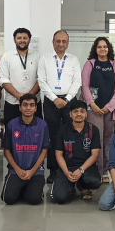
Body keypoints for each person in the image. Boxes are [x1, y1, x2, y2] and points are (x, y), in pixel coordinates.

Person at [38, 30, 82, 183]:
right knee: (52, 136)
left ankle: (71, 167)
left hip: (69, 101)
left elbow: (77, 81)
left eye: (64, 41)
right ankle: (53, 170)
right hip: (51, 102)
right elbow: (42, 81)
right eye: (58, 41)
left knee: (71, 135)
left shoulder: (74, 60)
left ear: (68, 43)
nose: (61, 44)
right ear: (53, 42)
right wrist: (55, 99)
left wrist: (67, 99)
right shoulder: (44, 59)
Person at [81, 36, 115, 181]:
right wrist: (92, 104)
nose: (102, 49)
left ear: (108, 48)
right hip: (93, 109)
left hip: (109, 110)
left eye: (105, 46)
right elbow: (84, 85)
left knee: (108, 140)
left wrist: (109, 107)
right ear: (95, 49)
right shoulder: (90, 64)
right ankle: (96, 171)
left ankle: (105, 170)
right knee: (96, 139)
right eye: (99, 47)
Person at [1, 94, 50, 205]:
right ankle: (21, 188)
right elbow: (7, 150)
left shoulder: (43, 125)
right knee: (8, 199)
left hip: (36, 171)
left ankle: (30, 189)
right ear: (20, 107)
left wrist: (32, 170)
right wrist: (17, 170)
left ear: (36, 108)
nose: (28, 108)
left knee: (34, 200)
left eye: (32, 105)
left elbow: (44, 150)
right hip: (16, 170)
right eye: (25, 105)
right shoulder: (11, 125)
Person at [51, 99, 102, 203]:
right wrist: (66, 172)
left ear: (86, 114)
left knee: (95, 182)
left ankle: (82, 185)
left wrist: (80, 170)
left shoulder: (93, 130)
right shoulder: (62, 130)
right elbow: (59, 155)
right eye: (75, 111)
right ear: (70, 114)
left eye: (82, 111)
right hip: (67, 167)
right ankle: (71, 187)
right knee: (59, 197)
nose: (79, 114)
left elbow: (94, 155)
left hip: (86, 167)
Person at [0, 27, 40, 127]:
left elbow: (41, 79)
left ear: (29, 40)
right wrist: (18, 95)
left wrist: (29, 97)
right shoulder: (6, 57)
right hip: (12, 103)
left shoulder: (37, 57)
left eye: (25, 38)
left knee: (35, 130)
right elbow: (3, 79)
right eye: (19, 38)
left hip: (33, 103)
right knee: (11, 130)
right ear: (14, 40)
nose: (22, 40)